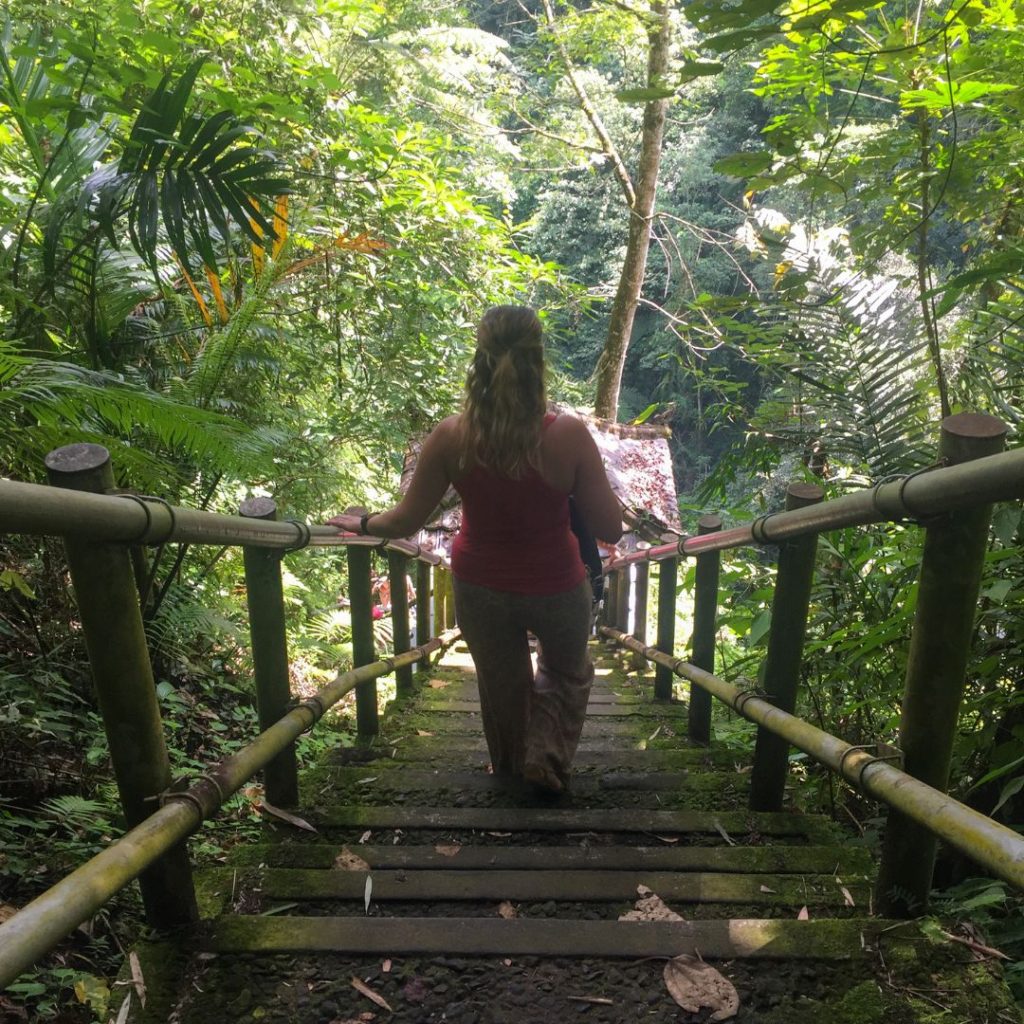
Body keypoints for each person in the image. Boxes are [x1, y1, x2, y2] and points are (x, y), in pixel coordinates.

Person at [327, 305, 622, 793]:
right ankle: (544, 758)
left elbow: (405, 521)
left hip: (481, 585)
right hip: (556, 582)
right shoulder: (567, 435)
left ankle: (509, 770)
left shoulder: (451, 436)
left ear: (479, 360)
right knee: (567, 672)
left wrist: (362, 521)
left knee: (502, 684)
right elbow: (609, 525)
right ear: (538, 361)